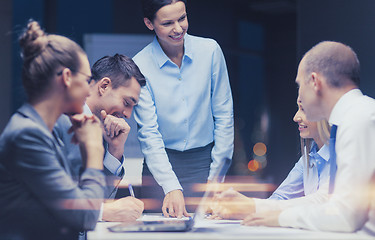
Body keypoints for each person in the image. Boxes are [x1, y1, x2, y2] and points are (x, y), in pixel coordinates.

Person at [242, 41, 375, 235]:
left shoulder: (359, 118)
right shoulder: (357, 115)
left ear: (314, 81)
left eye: (299, 84)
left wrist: (280, 218)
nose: (299, 95)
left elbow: (346, 215)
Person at [0, 21, 105, 239]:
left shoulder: (40, 131)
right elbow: (84, 215)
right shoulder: (27, 135)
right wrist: (94, 148)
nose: (89, 89)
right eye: (87, 80)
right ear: (67, 77)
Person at [133, 0, 234, 217]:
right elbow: (148, 132)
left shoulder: (210, 51)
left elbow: (224, 116)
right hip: (160, 168)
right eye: (168, 23)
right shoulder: (140, 65)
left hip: (205, 163)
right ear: (149, 24)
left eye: (182, 18)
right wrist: (170, 185)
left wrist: (215, 180)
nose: (178, 29)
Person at [54, 54, 145, 222]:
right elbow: (48, 196)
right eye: (127, 102)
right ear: (104, 86)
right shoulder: (59, 120)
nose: (128, 114)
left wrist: (115, 150)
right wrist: (103, 211)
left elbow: (99, 200)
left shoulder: (101, 131)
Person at [209, 99, 331, 219]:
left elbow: (324, 201)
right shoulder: (309, 155)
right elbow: (280, 197)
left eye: (303, 109)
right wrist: (239, 209)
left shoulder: (342, 153)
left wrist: (251, 206)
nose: (295, 117)